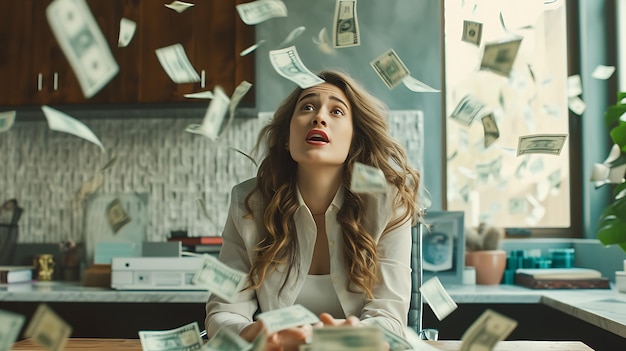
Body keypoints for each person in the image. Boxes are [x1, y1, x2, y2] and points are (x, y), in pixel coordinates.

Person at [205, 70, 421, 350]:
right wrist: (255, 331)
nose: (319, 117)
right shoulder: (248, 202)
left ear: (354, 139)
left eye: (337, 111)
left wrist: (348, 335)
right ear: (287, 136)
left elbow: (390, 320)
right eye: (307, 106)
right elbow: (223, 312)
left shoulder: (387, 203)